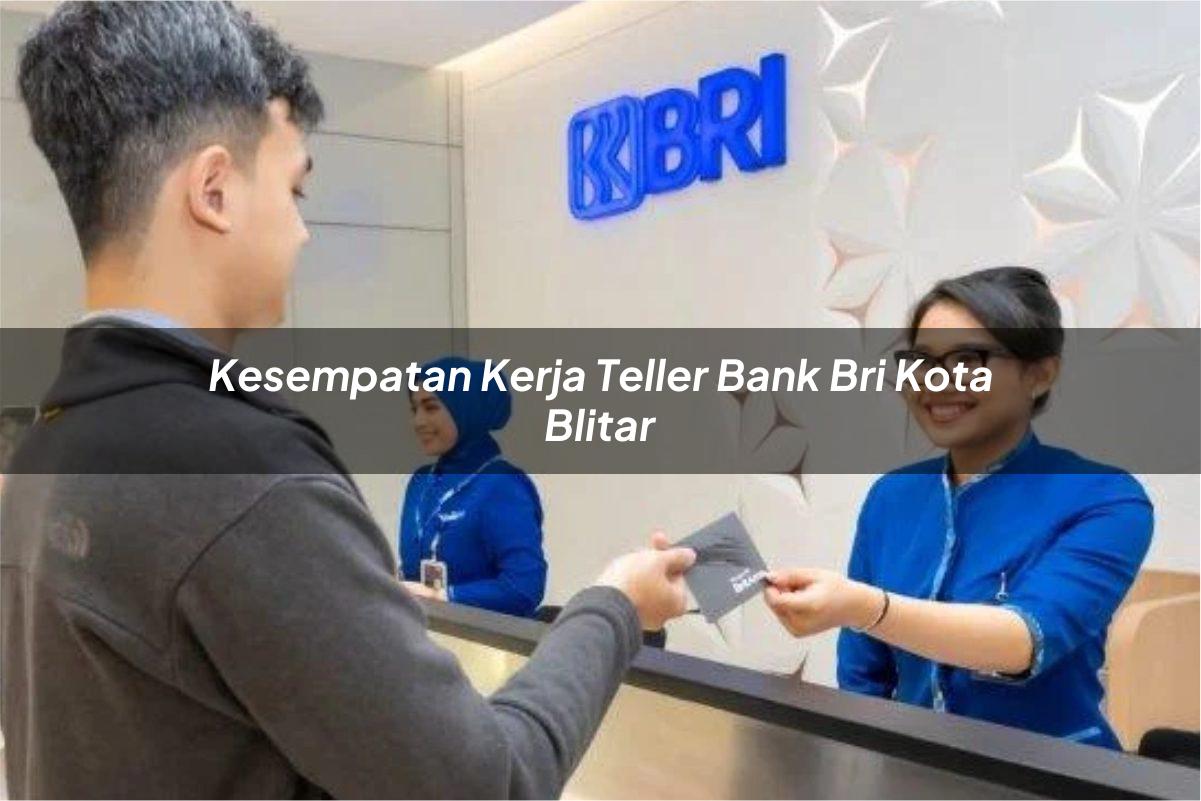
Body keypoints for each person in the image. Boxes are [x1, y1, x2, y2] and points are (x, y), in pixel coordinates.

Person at [0, 3, 695, 797]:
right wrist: (615, 604)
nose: (303, 232)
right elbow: (487, 783)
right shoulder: (238, 471)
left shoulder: (49, 446)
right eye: (295, 190)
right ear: (214, 190)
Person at [763, 266, 1153, 749]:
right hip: (910, 770)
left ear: (1040, 374)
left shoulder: (1105, 497)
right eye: (922, 361)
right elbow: (864, 674)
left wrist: (864, 606)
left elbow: (1024, 640)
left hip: (1049, 772)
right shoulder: (893, 496)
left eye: (969, 359)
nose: (937, 381)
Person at [399, 357, 548, 617]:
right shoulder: (421, 482)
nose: (418, 422)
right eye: (415, 410)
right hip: (421, 631)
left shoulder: (502, 484)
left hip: (486, 639)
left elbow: (524, 589)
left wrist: (441, 597)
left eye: (431, 407)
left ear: (467, 408)